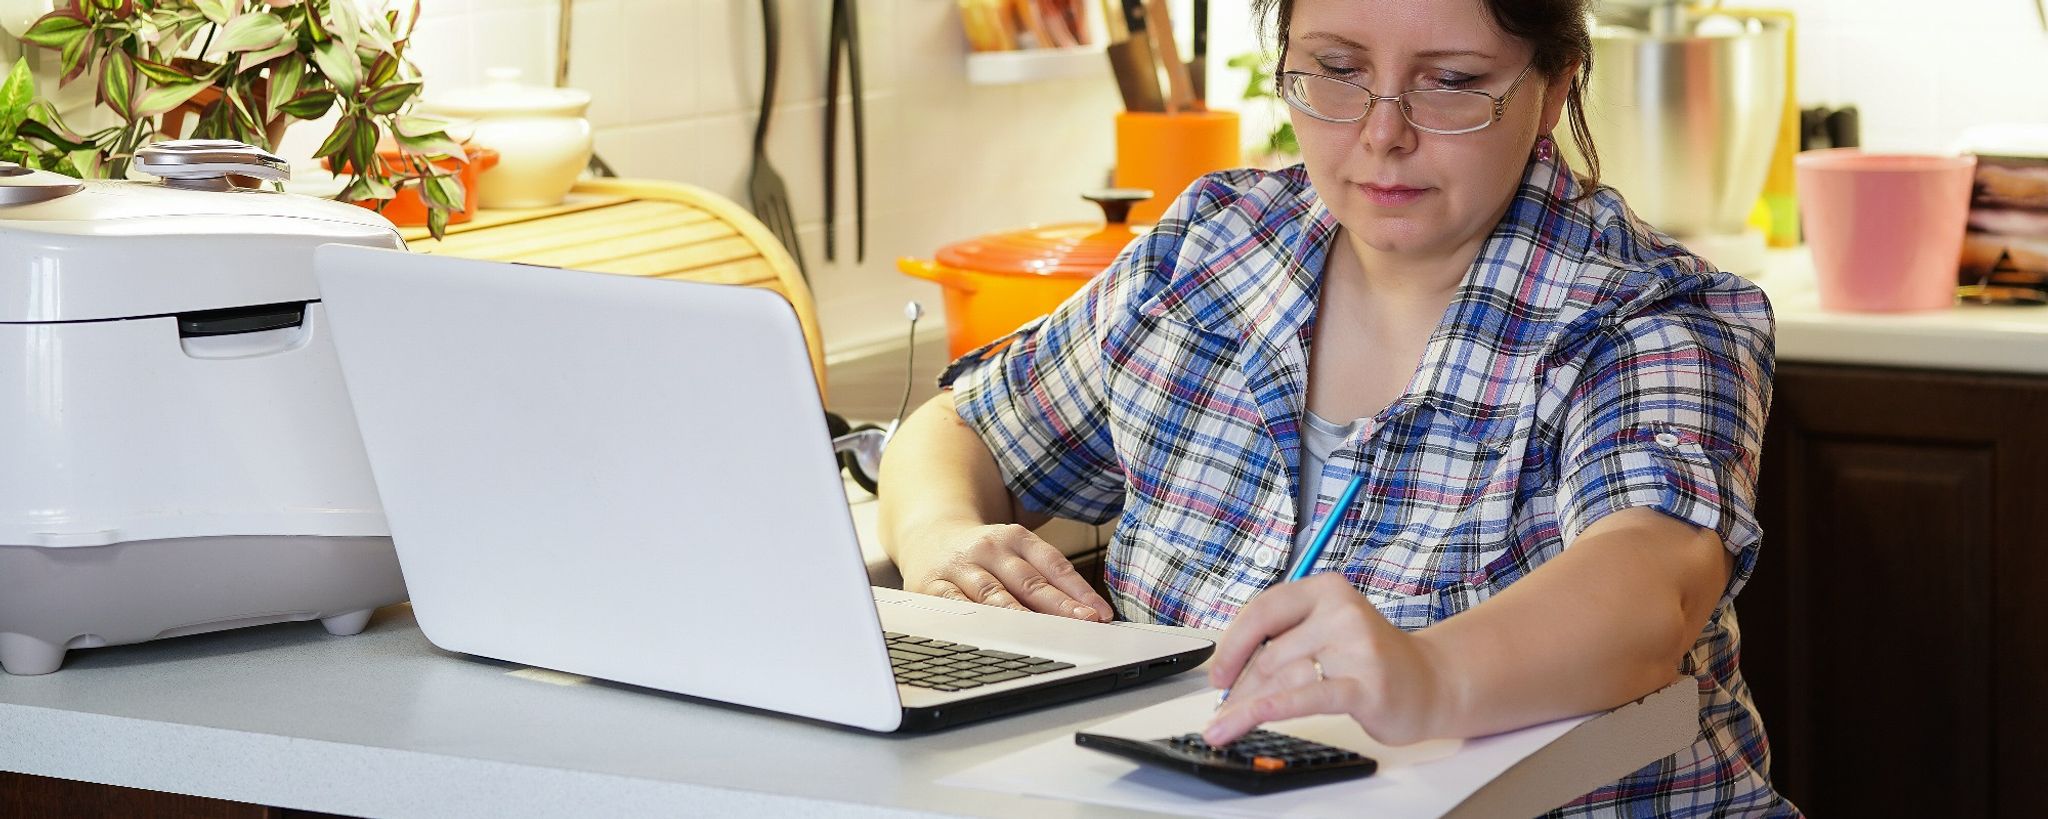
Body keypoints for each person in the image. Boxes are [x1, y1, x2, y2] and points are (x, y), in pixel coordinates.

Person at [878, 0, 1792, 813]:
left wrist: (1428, 672)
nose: (1383, 132)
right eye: (1339, 71)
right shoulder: (1207, 257)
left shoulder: (1650, 314)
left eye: (1451, 83)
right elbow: (957, 428)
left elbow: (1648, 589)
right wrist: (942, 540)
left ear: (1553, 87)